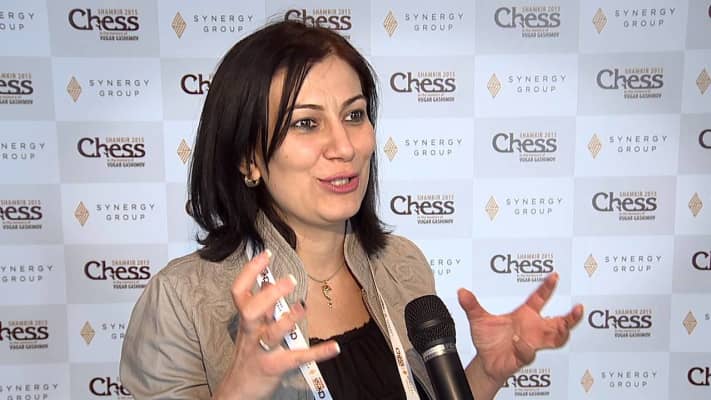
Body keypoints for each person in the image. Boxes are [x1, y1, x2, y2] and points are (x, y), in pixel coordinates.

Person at [120, 20, 583, 400]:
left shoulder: (402, 264)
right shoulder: (180, 300)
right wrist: (240, 390)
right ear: (248, 159)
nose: (344, 146)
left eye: (354, 115)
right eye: (307, 123)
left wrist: (487, 372)